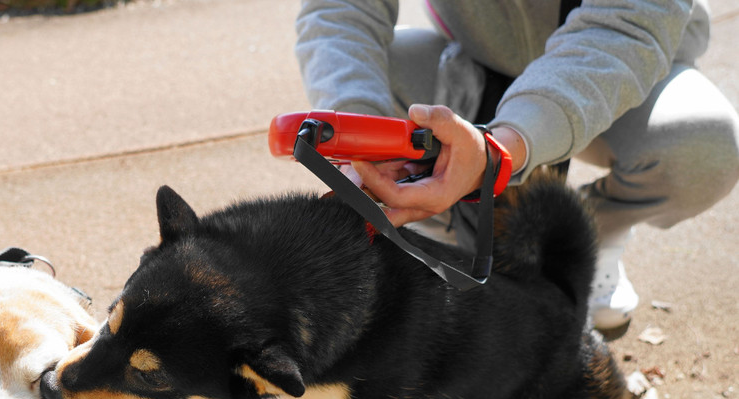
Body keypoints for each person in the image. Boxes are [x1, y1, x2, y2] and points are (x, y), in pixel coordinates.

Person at [295, 0, 739, 330]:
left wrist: (500, 150)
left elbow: (625, 27)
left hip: (623, 66)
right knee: (365, 76)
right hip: (476, 57)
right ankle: (443, 221)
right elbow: (340, 8)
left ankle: (586, 233)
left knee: (706, 148)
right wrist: (360, 133)